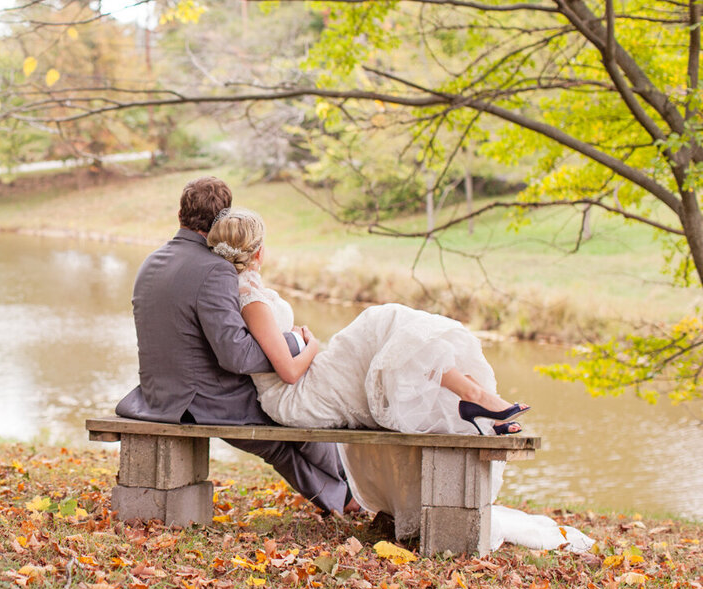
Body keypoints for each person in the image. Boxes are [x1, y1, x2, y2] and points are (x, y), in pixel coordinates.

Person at [115, 177, 356, 515]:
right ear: (219, 220)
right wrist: (291, 343)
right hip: (200, 400)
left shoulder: (151, 262)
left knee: (285, 440)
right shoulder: (215, 270)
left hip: (157, 395)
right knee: (299, 417)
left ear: (179, 215)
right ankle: (351, 496)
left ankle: (344, 498)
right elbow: (236, 355)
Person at [204, 207, 529, 437]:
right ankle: (479, 400)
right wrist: (312, 344)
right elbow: (288, 372)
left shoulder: (251, 289)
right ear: (257, 251)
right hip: (299, 396)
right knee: (383, 325)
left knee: (390, 334)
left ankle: (479, 403)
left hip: (310, 378)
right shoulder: (253, 300)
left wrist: (298, 338)